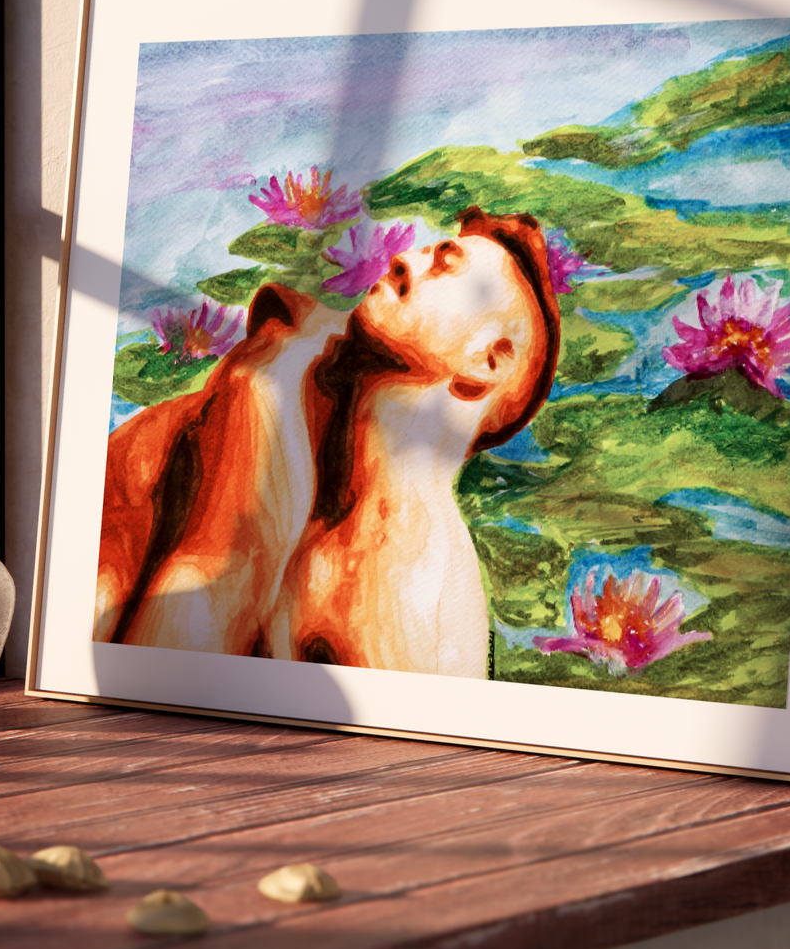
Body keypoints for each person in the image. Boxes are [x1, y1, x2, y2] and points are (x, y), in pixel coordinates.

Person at [93, 206, 561, 679]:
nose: (402, 260)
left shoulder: (412, 591)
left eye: (444, 266)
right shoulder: (277, 390)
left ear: (490, 359)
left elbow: (166, 685)